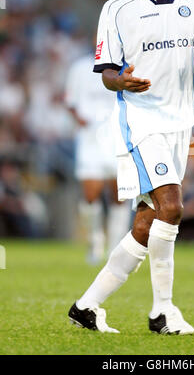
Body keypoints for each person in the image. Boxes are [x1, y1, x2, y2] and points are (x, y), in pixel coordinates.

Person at [68, 0, 194, 335]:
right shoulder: (117, 9)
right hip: (141, 122)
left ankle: (87, 306)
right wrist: (120, 81)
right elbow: (106, 72)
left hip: (182, 126)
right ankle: (163, 312)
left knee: (147, 223)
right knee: (173, 207)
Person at [65, 50, 131, 264]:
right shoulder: (80, 67)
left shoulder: (127, 66)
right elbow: (70, 101)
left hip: (118, 137)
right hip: (90, 139)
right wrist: (79, 120)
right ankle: (95, 241)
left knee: (119, 196)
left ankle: (115, 247)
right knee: (90, 194)